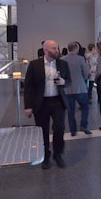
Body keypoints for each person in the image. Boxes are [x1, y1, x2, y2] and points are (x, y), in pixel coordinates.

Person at [24, 39, 71, 169]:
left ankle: (58, 154)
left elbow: (69, 81)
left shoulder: (63, 64)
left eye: (57, 48)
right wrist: (28, 106)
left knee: (60, 128)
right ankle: (45, 156)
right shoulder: (34, 65)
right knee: (42, 131)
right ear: (46, 50)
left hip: (58, 101)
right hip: (41, 103)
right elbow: (28, 87)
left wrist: (64, 82)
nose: (57, 50)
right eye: (54, 48)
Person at [62, 42, 92, 136]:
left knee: (70, 111)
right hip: (80, 88)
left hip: (67, 89)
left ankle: (73, 130)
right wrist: (84, 78)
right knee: (85, 107)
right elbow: (86, 72)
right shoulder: (80, 59)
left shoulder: (62, 59)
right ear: (76, 49)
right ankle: (83, 125)